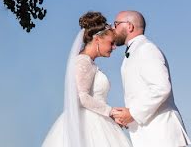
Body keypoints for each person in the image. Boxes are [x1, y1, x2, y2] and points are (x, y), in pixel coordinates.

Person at [41, 12, 133, 147]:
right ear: (97, 39)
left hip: (97, 118)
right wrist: (111, 112)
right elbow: (82, 97)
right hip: (88, 125)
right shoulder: (83, 62)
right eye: (111, 43)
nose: (114, 47)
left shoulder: (89, 62)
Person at [111, 10, 190, 147]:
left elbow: (161, 88)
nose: (113, 28)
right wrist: (127, 117)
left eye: (116, 24)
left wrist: (133, 113)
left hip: (161, 135)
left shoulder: (146, 49)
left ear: (129, 26)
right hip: (148, 134)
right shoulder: (134, 51)